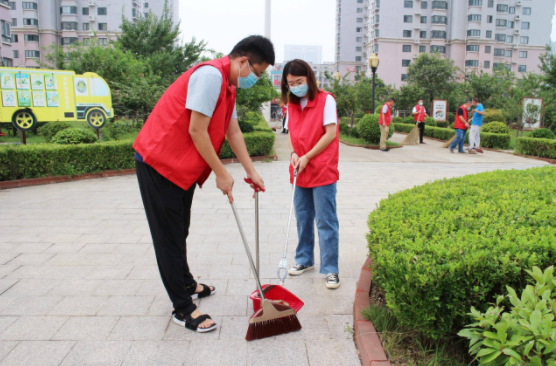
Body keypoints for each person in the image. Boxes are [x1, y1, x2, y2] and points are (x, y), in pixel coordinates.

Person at [132, 36, 274, 333]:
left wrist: (251, 171)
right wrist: (222, 173)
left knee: (179, 228)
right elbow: (197, 129)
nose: (256, 79)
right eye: (257, 72)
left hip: (179, 167)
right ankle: (183, 308)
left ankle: (186, 282)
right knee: (169, 236)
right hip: (159, 163)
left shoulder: (229, 85)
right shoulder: (210, 75)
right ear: (242, 61)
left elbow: (231, 130)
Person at [281, 59, 341, 289]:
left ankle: (331, 268)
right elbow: (290, 133)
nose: (295, 86)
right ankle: (305, 260)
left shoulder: (326, 100)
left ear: (309, 79)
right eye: (290, 83)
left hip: (321, 168)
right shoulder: (291, 104)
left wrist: (308, 156)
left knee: (326, 220)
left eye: (299, 81)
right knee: (303, 217)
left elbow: (329, 134)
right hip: (300, 169)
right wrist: (295, 153)